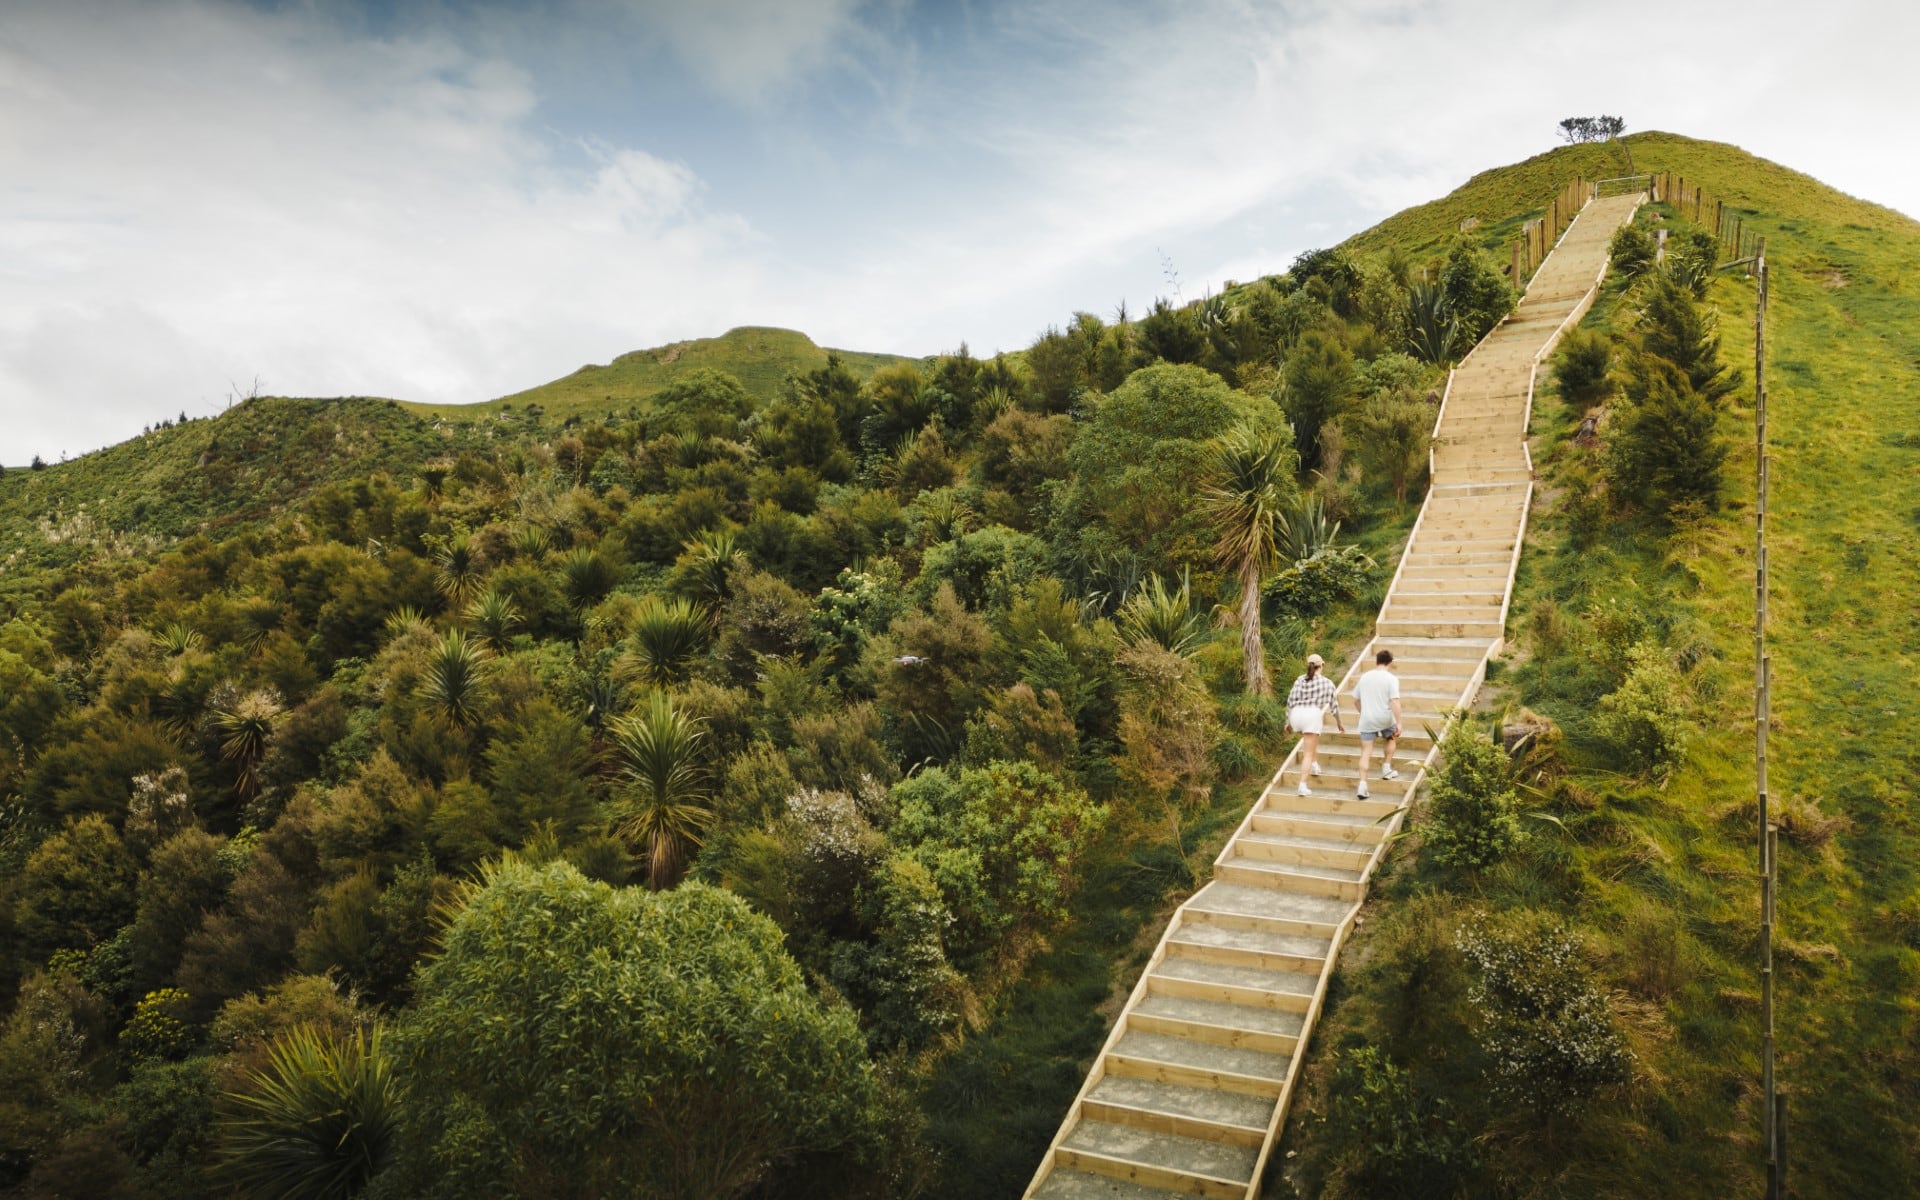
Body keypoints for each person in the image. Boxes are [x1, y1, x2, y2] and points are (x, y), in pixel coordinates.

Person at [1286, 653, 1344, 796]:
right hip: (1311, 715)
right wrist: (1339, 723)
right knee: (1307, 752)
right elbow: (1334, 707)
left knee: (1310, 742)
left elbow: (1290, 701)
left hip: (1297, 715)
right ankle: (1302, 785)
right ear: (1321, 665)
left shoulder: (1300, 680)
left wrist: (1288, 721)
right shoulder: (1327, 683)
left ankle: (1315, 764)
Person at [1351, 649, 1402, 799]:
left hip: (1367, 718)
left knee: (1366, 751)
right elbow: (1394, 701)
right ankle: (1386, 768)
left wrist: (1363, 712)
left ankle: (1362, 785)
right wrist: (1399, 722)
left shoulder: (1365, 677)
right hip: (1385, 717)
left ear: (1376, 661)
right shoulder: (1391, 679)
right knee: (1391, 737)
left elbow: (1355, 699)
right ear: (1390, 662)